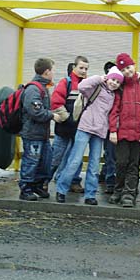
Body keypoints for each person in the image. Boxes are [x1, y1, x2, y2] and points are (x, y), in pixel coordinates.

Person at [55, 67, 123, 204]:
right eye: (113, 79)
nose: (114, 83)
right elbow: (82, 86)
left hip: (100, 131)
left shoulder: (115, 96)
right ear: (107, 77)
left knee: (94, 164)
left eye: (118, 81)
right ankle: (61, 189)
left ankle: (90, 195)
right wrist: (99, 78)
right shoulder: (96, 87)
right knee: (75, 160)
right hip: (85, 127)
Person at [108, 53, 140, 208]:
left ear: (134, 65)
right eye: (123, 69)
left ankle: (129, 194)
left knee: (134, 165)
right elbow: (114, 110)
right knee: (121, 163)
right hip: (122, 133)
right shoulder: (119, 87)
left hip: (138, 134)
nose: (127, 71)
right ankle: (118, 190)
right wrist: (113, 130)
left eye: (128, 67)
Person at [19, 58, 60, 201]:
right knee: (31, 161)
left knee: (45, 161)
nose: (54, 73)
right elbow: (35, 112)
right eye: (53, 70)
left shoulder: (43, 88)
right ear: (47, 72)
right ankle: (25, 188)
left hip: (42, 135)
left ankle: (37, 185)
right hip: (32, 135)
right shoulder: (33, 89)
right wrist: (52, 115)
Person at [49, 55, 89, 194]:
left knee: (76, 158)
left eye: (86, 68)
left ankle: (74, 181)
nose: (83, 71)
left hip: (80, 129)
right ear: (74, 67)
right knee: (55, 157)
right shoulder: (65, 83)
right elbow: (56, 103)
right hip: (64, 128)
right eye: (81, 67)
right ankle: (43, 181)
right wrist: (68, 119)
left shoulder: (88, 85)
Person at [99, 60, 118, 194]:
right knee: (110, 154)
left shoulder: (119, 89)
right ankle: (109, 179)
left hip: (115, 127)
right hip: (105, 127)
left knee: (112, 155)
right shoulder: (101, 86)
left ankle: (107, 176)